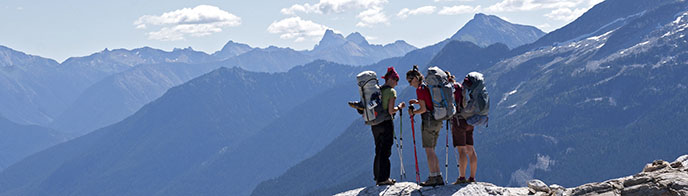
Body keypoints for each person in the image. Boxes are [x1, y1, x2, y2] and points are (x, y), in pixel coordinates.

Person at [406, 65, 444, 186]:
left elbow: (423, 109)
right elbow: (429, 102)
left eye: (410, 81)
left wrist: (413, 112)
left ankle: (432, 177)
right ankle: (438, 177)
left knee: (429, 150)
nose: (410, 84)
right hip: (437, 119)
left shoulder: (420, 90)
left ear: (416, 78)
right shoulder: (427, 87)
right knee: (432, 150)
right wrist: (417, 101)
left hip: (428, 120)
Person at [371, 67, 405, 186]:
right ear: (391, 79)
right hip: (386, 123)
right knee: (386, 151)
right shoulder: (391, 92)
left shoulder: (379, 90)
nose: (397, 83)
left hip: (375, 124)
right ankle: (384, 178)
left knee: (378, 149)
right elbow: (391, 111)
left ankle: (377, 177)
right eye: (396, 80)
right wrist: (399, 107)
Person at [447, 72, 478, 184]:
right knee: (470, 149)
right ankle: (472, 178)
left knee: (461, 150)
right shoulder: (463, 87)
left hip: (458, 121)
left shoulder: (450, 90)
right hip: (470, 120)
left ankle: (461, 178)